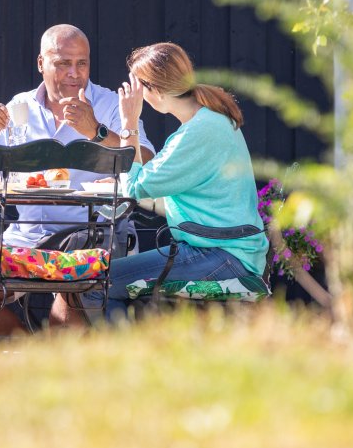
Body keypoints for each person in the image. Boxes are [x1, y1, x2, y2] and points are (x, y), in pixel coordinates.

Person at [0, 24, 155, 331]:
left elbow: (148, 161)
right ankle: (29, 358)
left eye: (82, 63)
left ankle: (52, 364)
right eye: (63, 63)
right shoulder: (19, 107)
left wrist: (96, 132)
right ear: (41, 63)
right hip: (27, 235)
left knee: (69, 297)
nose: (74, 73)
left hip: (92, 234)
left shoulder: (110, 104)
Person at [88, 41, 268, 321]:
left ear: (154, 91)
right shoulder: (209, 121)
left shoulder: (198, 133)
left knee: (97, 284)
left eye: (138, 88)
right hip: (226, 252)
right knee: (109, 280)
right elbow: (159, 190)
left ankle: (123, 362)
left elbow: (135, 185)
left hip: (223, 257)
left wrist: (129, 122)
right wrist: (125, 186)